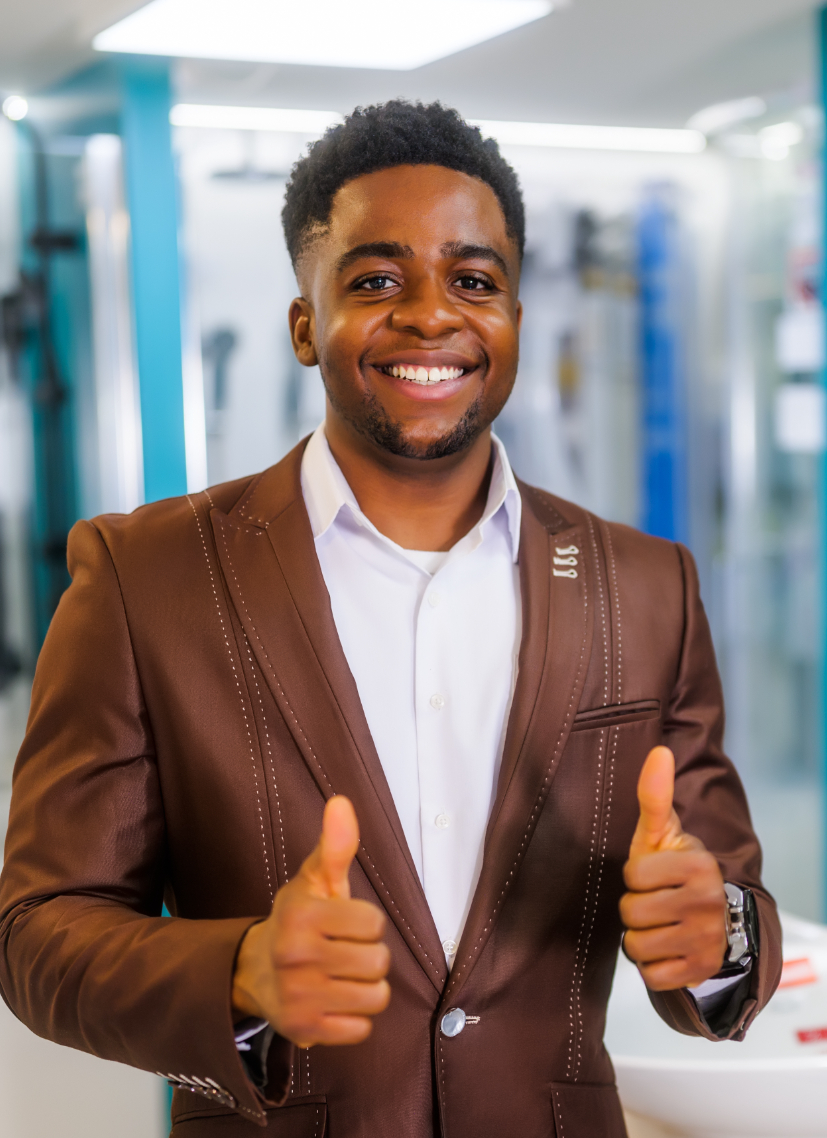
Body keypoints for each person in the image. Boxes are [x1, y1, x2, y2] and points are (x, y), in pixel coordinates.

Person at [0, 101, 780, 1137]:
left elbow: (728, 897)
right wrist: (236, 973)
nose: (429, 314)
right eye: (374, 280)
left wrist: (712, 933)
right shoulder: (145, 576)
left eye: (472, 279)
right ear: (304, 325)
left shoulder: (642, 586)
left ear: (510, 316)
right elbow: (40, 930)